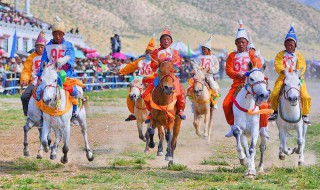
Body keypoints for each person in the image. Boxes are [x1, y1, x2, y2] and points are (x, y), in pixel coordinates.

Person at [223, 20, 269, 138]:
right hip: (237, 84)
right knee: (226, 104)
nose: (241, 44)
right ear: (235, 43)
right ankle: (233, 126)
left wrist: (250, 72)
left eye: (243, 42)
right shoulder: (232, 56)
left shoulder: (251, 54)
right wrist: (237, 74)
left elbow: (257, 67)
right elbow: (228, 70)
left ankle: (263, 127)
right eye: (238, 42)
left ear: (247, 42)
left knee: (263, 105)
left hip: (252, 83)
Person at [37, 16, 79, 120]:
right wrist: (40, 75)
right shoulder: (48, 45)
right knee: (39, 91)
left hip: (66, 73)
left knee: (73, 91)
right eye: (55, 34)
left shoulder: (68, 45)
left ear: (63, 35)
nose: (58, 36)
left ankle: (74, 113)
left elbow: (70, 59)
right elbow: (44, 61)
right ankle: (42, 113)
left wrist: (62, 62)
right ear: (53, 34)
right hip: (51, 75)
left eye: (60, 34)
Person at [142, 27, 186, 123]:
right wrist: (158, 65)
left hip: (171, 77)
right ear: (160, 41)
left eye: (168, 39)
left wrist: (172, 65)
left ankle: (180, 110)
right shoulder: (156, 52)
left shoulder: (174, 52)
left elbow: (178, 63)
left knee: (180, 92)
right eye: (164, 39)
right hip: (159, 77)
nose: (166, 41)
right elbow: (153, 65)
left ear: (171, 41)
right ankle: (150, 112)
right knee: (145, 94)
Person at [269, 24, 311, 124]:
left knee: (305, 96)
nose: (289, 45)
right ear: (284, 44)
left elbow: (302, 66)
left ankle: (305, 114)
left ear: (295, 45)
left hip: (297, 78)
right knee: (274, 93)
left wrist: (296, 74)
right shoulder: (280, 54)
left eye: (291, 44)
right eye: (287, 43)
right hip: (283, 77)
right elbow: (277, 63)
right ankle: (274, 112)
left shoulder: (299, 55)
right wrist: (284, 71)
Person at [119, 36, 156, 121]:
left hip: (151, 81)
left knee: (154, 95)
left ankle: (156, 112)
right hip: (139, 80)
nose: (149, 54)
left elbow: (156, 72)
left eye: (151, 52)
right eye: (147, 52)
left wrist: (149, 77)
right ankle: (134, 113)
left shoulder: (156, 62)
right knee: (130, 94)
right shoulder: (140, 60)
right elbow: (131, 66)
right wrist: (121, 72)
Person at [20, 30, 46, 116]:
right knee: (24, 97)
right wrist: (24, 79)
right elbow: (26, 70)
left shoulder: (48, 56)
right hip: (34, 80)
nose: (39, 49)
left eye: (41, 47)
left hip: (47, 79)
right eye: (38, 47)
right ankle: (27, 113)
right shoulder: (31, 57)